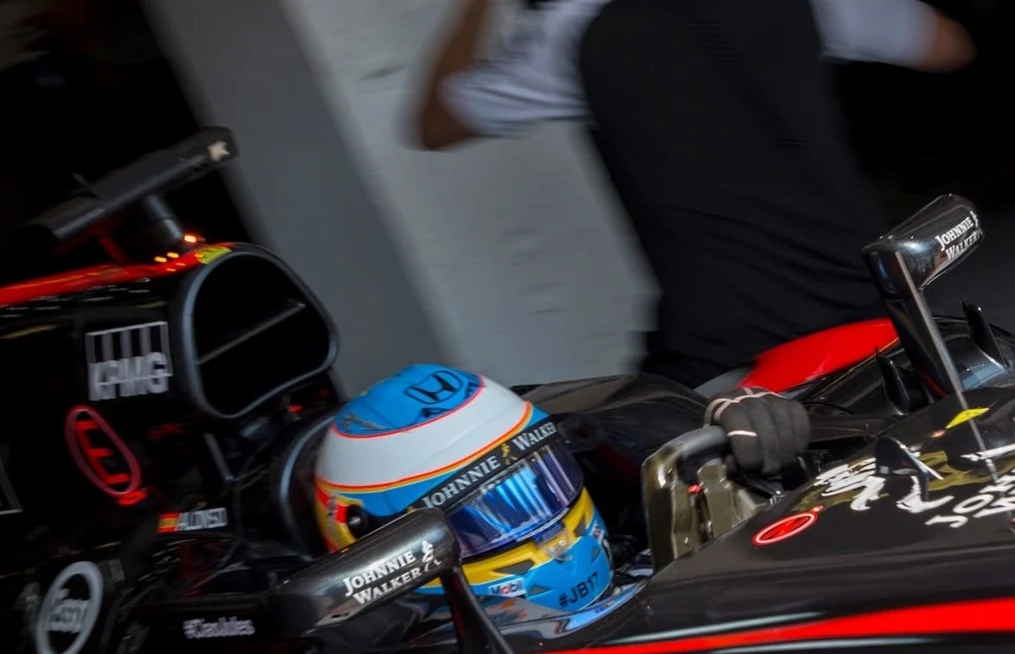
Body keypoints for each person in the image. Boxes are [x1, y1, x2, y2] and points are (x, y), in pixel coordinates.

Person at [411, 0, 973, 388]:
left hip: (722, 341)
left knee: (638, 495)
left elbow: (434, 124)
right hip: (872, 297)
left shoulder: (573, 29)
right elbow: (946, 45)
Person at [314, 365, 807, 608]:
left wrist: (738, 423)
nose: (551, 531)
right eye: (485, 518)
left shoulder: (617, 479)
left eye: (541, 483)